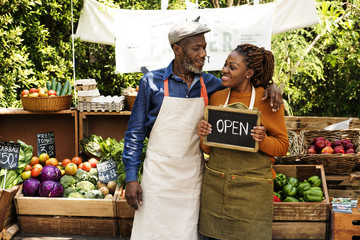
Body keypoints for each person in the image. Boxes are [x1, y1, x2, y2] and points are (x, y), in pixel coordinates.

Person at [122, 20, 283, 240]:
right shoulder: (151, 83)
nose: (203, 54)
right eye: (196, 48)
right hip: (157, 176)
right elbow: (135, 133)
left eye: (204, 47)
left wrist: (272, 85)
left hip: (192, 177)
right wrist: (131, 177)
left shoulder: (213, 85)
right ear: (177, 49)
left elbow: (245, 81)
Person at [196, 43, 289, 240]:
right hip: (216, 187)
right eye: (225, 65)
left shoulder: (268, 100)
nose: (224, 70)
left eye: (232, 67)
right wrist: (203, 134)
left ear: (249, 73)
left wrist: (262, 140)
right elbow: (208, 148)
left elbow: (282, 147)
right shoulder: (217, 97)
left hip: (252, 192)